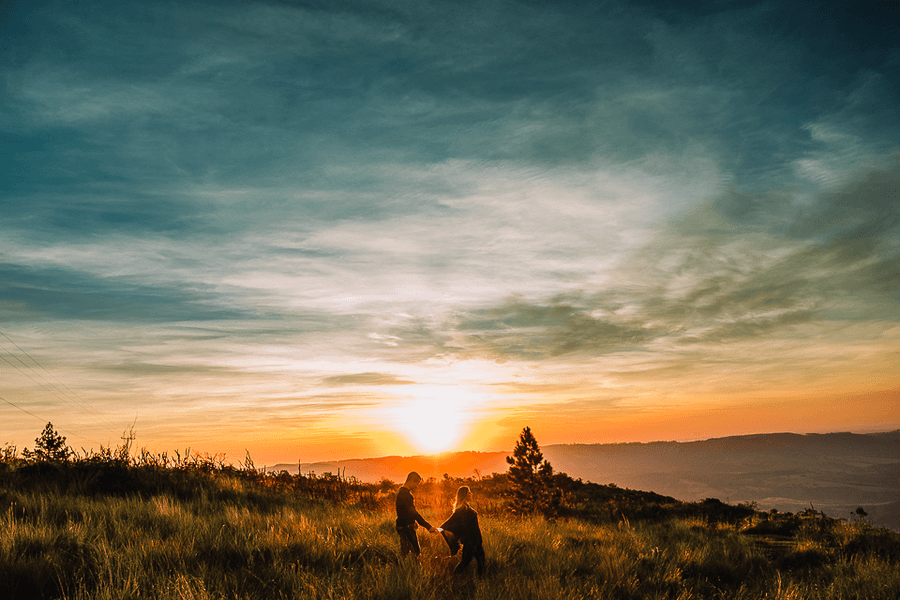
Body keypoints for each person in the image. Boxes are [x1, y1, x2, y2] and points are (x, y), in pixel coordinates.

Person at [438, 486, 485, 576]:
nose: (471, 494)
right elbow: (449, 522)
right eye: (469, 493)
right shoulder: (461, 510)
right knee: (465, 563)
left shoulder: (467, 507)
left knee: (479, 561)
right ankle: (454, 578)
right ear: (465, 495)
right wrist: (439, 529)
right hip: (470, 542)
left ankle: (480, 581)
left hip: (476, 541)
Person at [395, 471, 437, 556]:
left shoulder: (400, 492)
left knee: (405, 552)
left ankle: (402, 567)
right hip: (407, 526)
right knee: (416, 552)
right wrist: (428, 527)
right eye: (416, 483)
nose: (416, 486)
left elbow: (404, 512)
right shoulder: (406, 495)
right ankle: (414, 567)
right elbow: (414, 513)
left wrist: (413, 522)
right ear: (411, 481)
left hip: (401, 525)